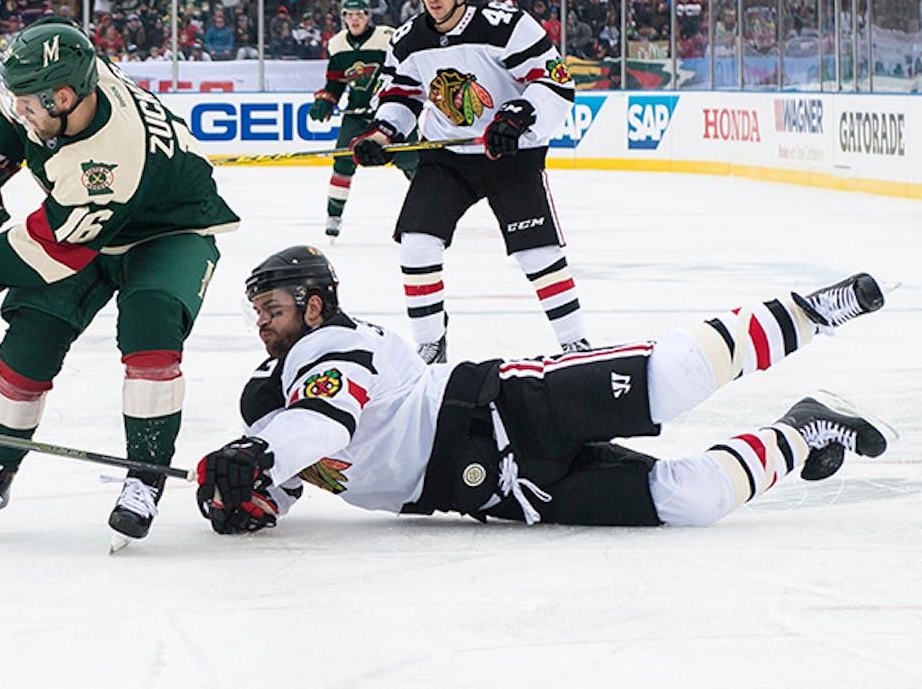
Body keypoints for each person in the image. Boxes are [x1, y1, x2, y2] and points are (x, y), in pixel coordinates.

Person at [194, 246, 890, 536]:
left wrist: (252, 451)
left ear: (314, 306)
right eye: (257, 312)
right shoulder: (273, 398)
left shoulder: (335, 346)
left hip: (510, 406)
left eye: (272, 308)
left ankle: (812, 310)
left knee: (668, 378)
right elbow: (283, 475)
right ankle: (806, 431)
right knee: (692, 500)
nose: (262, 323)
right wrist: (241, 496)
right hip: (501, 492)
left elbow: (322, 425)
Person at [0, 17, 240, 547]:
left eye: (29, 104)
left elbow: (51, 247)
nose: (18, 110)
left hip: (169, 230)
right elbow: (15, 124)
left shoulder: (108, 159)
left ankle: (145, 475)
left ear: (64, 98)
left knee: (150, 328)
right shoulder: (70, 76)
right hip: (88, 222)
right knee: (30, 336)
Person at [351, 0, 586, 362]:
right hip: (447, 158)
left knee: (537, 254)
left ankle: (575, 343)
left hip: (508, 155)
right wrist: (384, 135)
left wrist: (518, 116)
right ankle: (430, 345)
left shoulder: (507, 26)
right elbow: (401, 95)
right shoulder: (408, 40)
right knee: (417, 244)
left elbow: (555, 84)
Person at [310, 0, 413, 238]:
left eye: (359, 14)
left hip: (391, 113)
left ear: (369, 15)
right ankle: (334, 215)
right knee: (343, 161)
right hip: (356, 115)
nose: (355, 19)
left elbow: (404, 69)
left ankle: (428, 210)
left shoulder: (387, 38)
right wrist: (325, 100)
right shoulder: (337, 44)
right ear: (343, 17)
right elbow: (335, 83)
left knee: (414, 162)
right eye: (349, 15)